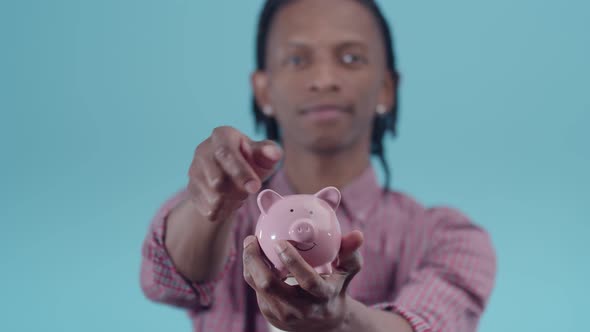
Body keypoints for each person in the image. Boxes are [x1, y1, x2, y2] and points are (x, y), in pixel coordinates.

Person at [139, 0, 497, 331]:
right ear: (263, 90)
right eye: (296, 60)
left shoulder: (448, 238)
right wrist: (211, 209)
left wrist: (341, 316)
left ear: (386, 88)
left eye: (351, 58)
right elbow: (166, 282)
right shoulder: (227, 210)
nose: (324, 80)